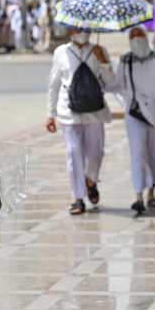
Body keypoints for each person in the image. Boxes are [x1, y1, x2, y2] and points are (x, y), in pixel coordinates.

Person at [112, 25, 155, 213]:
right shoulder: (125, 61)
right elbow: (116, 86)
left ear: (145, 35)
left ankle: (151, 193)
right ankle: (138, 195)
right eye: (132, 35)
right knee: (138, 154)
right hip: (135, 115)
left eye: (139, 34)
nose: (136, 38)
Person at [46, 28, 115, 214]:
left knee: (96, 153)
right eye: (78, 28)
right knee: (73, 154)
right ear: (69, 29)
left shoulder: (100, 50)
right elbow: (54, 84)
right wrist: (50, 113)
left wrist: (104, 61)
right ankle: (78, 198)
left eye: (86, 28)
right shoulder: (61, 52)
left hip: (95, 111)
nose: (82, 32)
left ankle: (91, 180)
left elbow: (111, 82)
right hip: (69, 112)